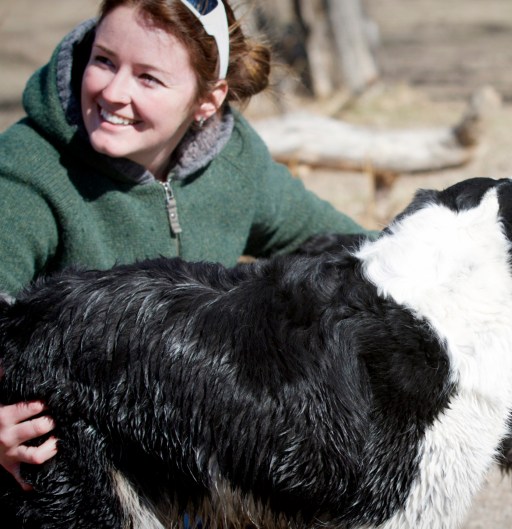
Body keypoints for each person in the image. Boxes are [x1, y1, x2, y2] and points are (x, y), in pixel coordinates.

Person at [0, 0, 371, 491]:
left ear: (208, 100)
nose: (113, 92)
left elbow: (352, 251)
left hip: (187, 457)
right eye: (104, 60)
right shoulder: (29, 167)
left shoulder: (235, 161)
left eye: (148, 78)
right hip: (65, 469)